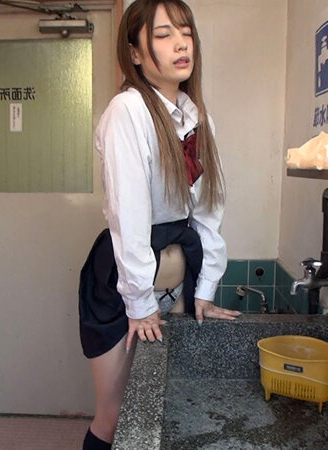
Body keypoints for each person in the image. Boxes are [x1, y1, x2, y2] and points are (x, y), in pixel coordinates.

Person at [77, 1, 240, 448]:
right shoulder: (127, 111)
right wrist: (140, 303)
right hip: (125, 279)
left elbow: (208, 211)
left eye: (186, 32)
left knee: (162, 406)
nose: (181, 44)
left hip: (176, 273)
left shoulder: (197, 117)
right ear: (134, 52)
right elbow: (128, 216)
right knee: (116, 415)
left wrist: (205, 289)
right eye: (164, 35)